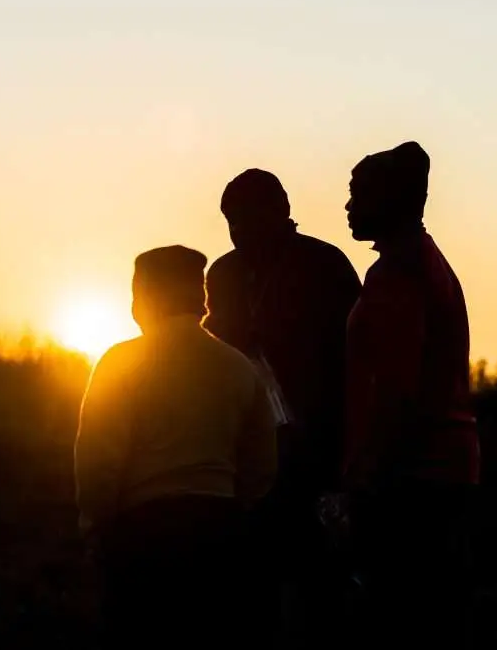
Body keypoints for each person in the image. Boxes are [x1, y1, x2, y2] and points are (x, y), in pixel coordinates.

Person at [74, 245, 277, 647]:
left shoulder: (120, 363)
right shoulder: (240, 367)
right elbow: (262, 466)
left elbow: (98, 462)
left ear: (146, 297)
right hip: (222, 535)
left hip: (144, 536)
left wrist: (95, 527)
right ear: (198, 299)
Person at [203, 168, 361, 646]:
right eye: (230, 221)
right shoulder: (223, 273)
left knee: (318, 593)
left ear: (281, 212)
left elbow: (354, 363)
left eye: (247, 218)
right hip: (246, 459)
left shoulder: (325, 266)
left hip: (316, 454)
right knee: (252, 595)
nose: (238, 231)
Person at [341, 140, 480, 650]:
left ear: (391, 198)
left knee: (400, 625)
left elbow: (396, 390)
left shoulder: (398, 273)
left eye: (357, 194)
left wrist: (366, 475)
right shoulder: (423, 262)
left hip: (412, 479)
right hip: (435, 471)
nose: (348, 207)